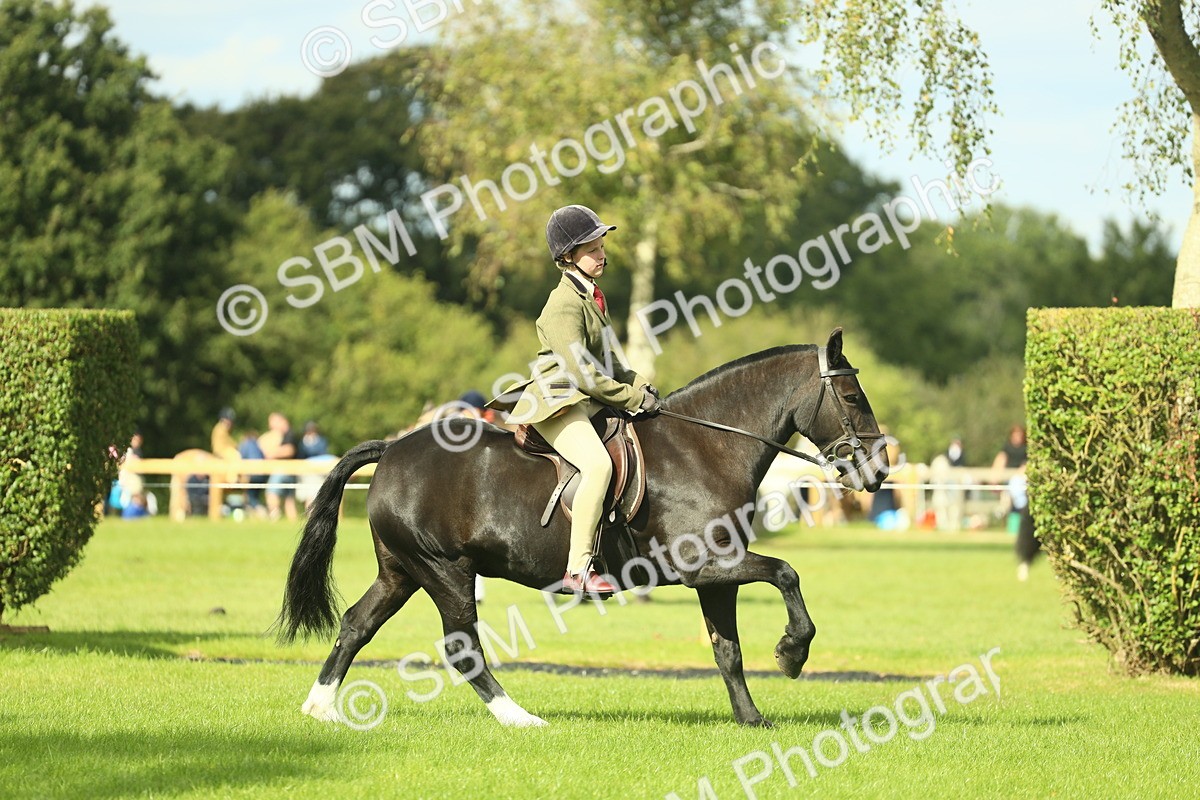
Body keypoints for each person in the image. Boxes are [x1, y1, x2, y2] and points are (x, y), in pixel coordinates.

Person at [489, 205, 661, 594]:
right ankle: (578, 569)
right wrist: (630, 397)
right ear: (567, 256)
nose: (602, 255)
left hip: (588, 399)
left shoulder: (593, 297)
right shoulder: (562, 304)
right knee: (598, 466)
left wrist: (643, 387)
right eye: (592, 250)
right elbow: (583, 373)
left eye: (601, 247)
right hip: (557, 402)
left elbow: (614, 362)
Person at [259, 412, 299, 521]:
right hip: (290, 470)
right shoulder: (285, 435)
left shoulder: (290, 434)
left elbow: (289, 450)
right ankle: (293, 523)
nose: (271, 427)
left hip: (284, 469)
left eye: (272, 423)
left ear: (281, 421)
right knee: (289, 499)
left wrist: (272, 453)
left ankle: (274, 516)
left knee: (271, 492)